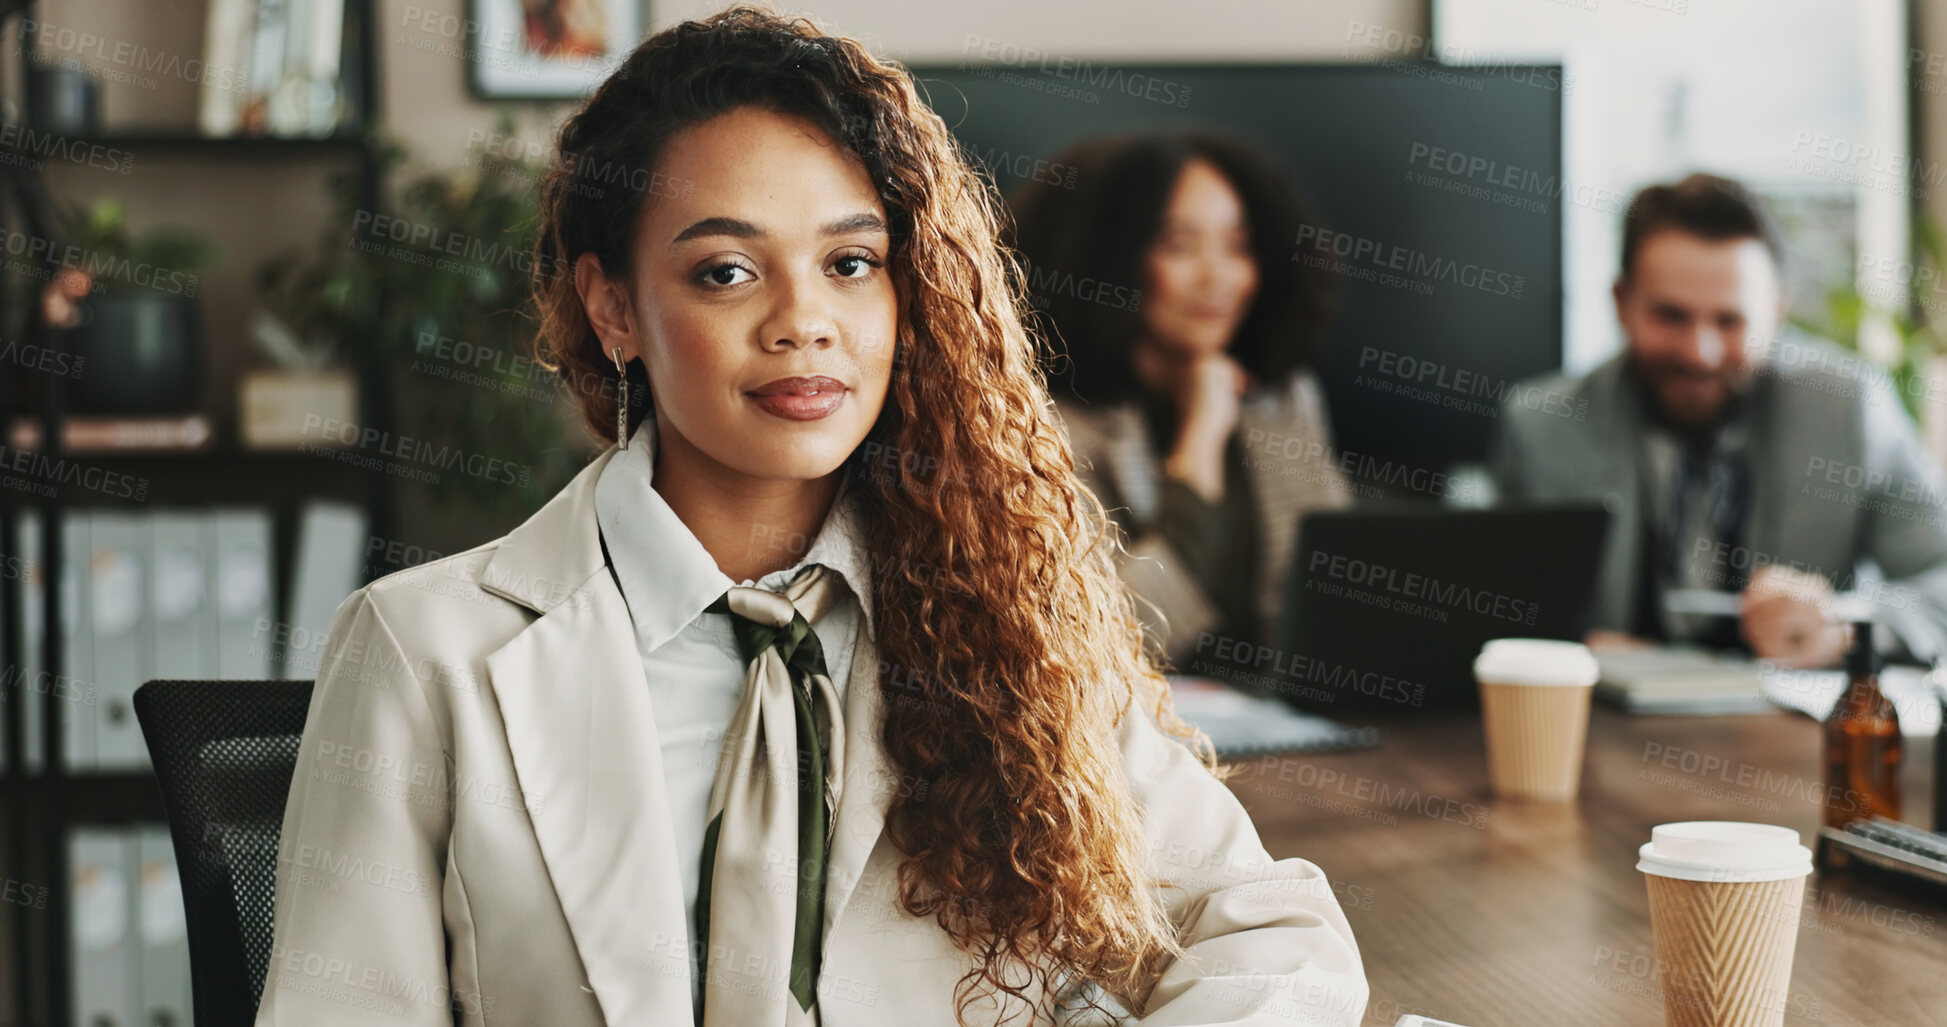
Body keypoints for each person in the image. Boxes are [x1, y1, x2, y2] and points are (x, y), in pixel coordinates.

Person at [252, 8, 1368, 1027]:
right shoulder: (425, 649)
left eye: (850, 263)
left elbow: (1274, 928)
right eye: (726, 271)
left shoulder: (1008, 613)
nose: (805, 322)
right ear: (612, 308)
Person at [1488, 172, 1947, 668]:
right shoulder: (1543, 425)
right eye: (1671, 316)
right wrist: (1571, 649)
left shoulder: (1848, 409)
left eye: (1729, 321)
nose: (1699, 353)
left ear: (1777, 312)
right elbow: (1495, 613)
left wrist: (1843, 629)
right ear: (1621, 303)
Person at [1008, 132, 1351, 678]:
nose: (1219, 277)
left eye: (1238, 246)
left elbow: (1332, 606)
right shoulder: (1039, 423)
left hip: (1278, 717)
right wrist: (1200, 443)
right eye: (1180, 246)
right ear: (1106, 262)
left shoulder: (1283, 399)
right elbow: (1103, 645)